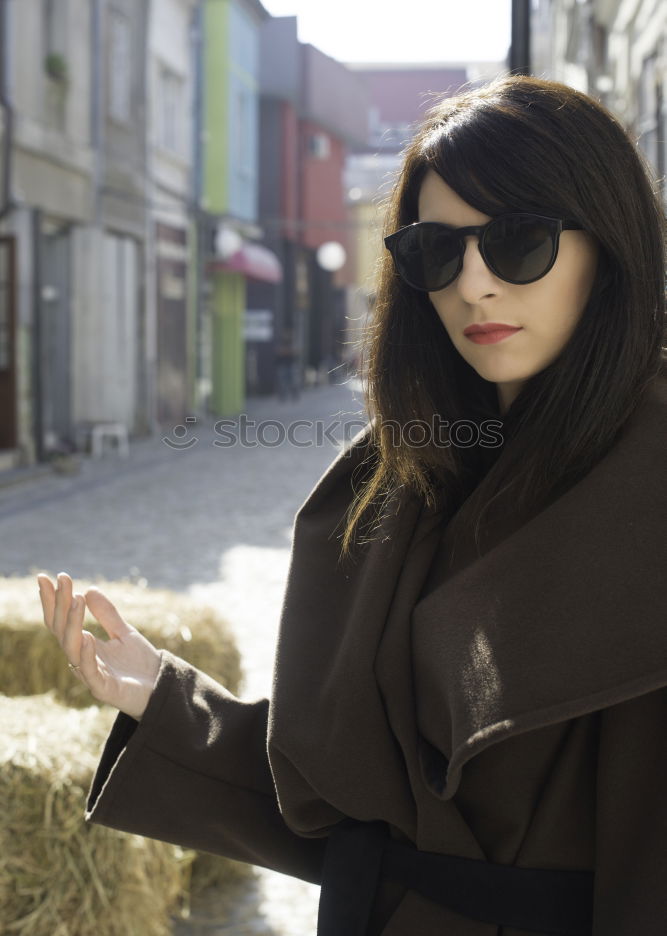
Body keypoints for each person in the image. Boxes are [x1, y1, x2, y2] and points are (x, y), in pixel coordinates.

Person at [38, 75, 667, 936]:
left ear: (610, 242)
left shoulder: (646, 488)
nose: (474, 286)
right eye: (436, 252)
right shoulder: (397, 480)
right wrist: (164, 697)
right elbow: (366, 824)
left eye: (519, 242)